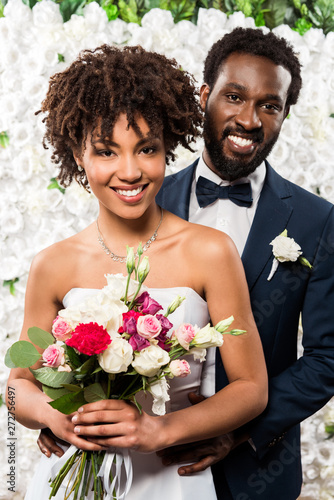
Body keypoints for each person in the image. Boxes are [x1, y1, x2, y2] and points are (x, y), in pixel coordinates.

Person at [6, 44, 268, 500]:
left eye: (146, 149)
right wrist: (52, 416)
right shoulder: (53, 263)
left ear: (167, 147)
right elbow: (16, 388)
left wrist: (161, 430)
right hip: (72, 482)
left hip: (172, 482)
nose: (129, 171)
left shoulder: (210, 252)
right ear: (78, 153)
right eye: (107, 152)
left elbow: (251, 388)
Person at [153, 28, 334, 500]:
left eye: (269, 105)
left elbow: (327, 356)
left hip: (259, 469)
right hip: (149, 461)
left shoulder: (317, 220)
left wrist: (241, 429)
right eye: (234, 96)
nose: (250, 119)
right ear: (205, 96)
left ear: (285, 114)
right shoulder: (147, 200)